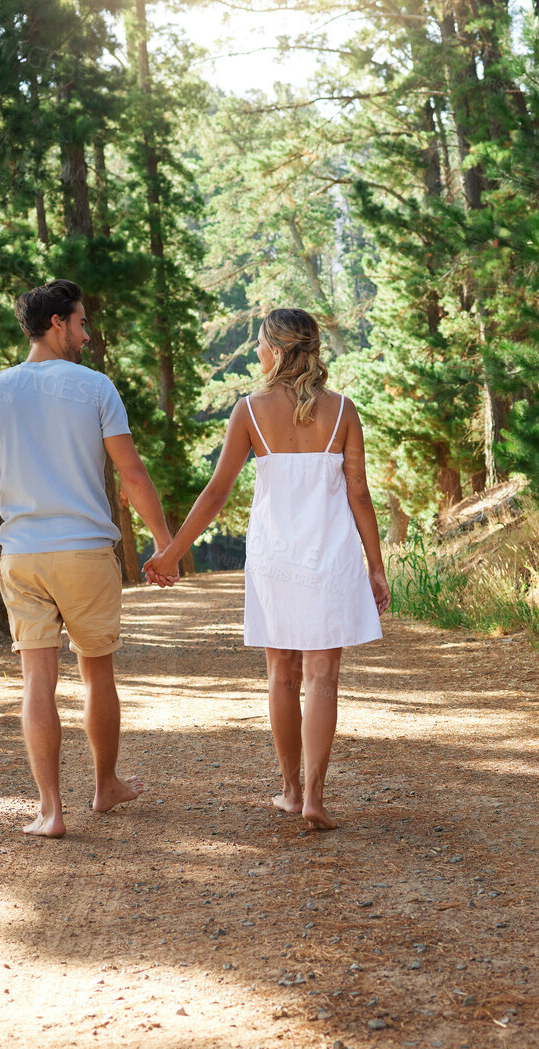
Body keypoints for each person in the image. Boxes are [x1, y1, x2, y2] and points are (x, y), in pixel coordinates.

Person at [144, 308, 389, 830]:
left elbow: (216, 493)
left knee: (282, 676)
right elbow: (360, 495)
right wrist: (376, 565)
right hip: (331, 556)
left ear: (276, 350)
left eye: (259, 344)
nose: (256, 353)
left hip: (276, 559)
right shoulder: (343, 411)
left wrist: (171, 552)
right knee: (323, 678)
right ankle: (318, 798)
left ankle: (292, 791)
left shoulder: (250, 411)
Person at [0, 279, 172, 838]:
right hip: (83, 554)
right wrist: (162, 543)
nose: (85, 333)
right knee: (97, 674)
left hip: (22, 556)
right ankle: (105, 787)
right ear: (57, 323)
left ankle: (50, 810)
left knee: (37, 680)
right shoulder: (95, 387)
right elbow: (131, 472)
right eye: (80, 322)